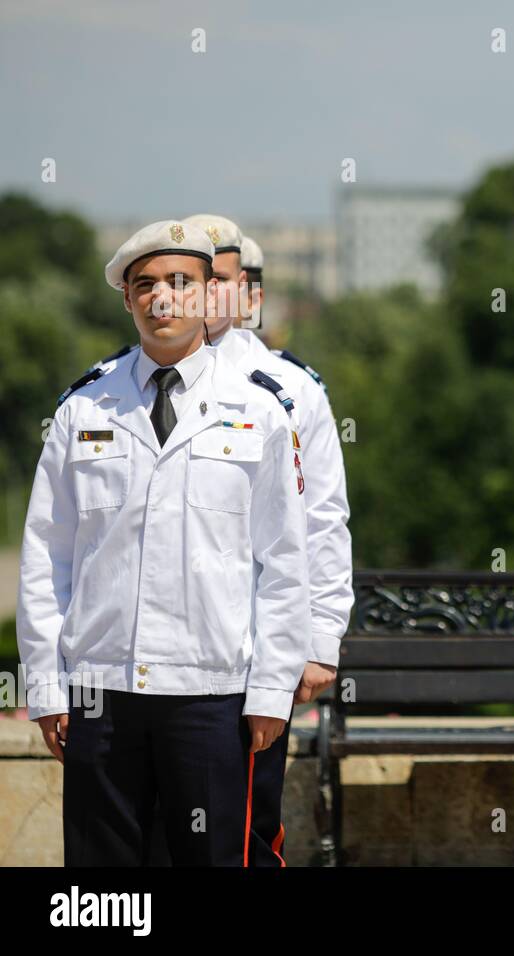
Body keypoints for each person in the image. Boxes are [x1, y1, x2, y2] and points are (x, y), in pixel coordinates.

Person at [17, 220, 312, 865]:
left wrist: (270, 689)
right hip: (101, 693)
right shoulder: (84, 409)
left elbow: (286, 563)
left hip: (211, 693)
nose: (163, 298)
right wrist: (45, 686)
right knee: (104, 888)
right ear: (127, 300)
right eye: (145, 284)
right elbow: (47, 557)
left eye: (181, 281)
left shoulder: (260, 410)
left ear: (211, 295)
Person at [184, 213, 352, 865]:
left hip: (253, 648)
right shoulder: (135, 384)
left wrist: (319, 639)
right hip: (158, 656)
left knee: (246, 830)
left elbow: (322, 520)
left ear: (249, 295)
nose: (201, 293)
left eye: (217, 279)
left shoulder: (290, 390)